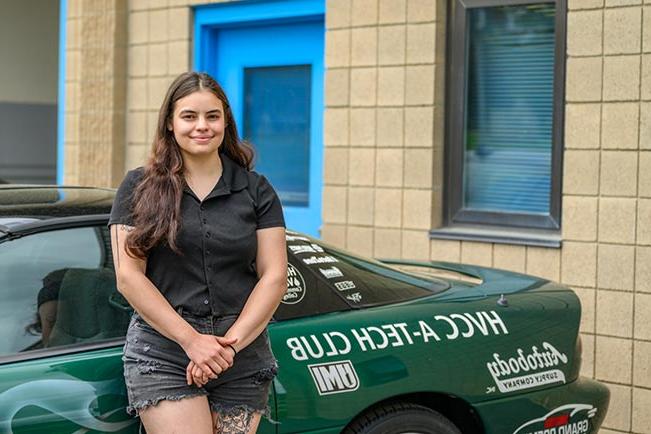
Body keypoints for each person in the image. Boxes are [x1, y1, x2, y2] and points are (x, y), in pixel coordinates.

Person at [108, 71, 288, 434]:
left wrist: (225, 349)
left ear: (226, 122)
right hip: (164, 351)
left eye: (212, 116)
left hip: (240, 350)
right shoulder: (137, 187)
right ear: (170, 124)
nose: (201, 126)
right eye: (189, 116)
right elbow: (129, 278)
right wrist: (192, 342)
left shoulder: (256, 190)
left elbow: (275, 276)